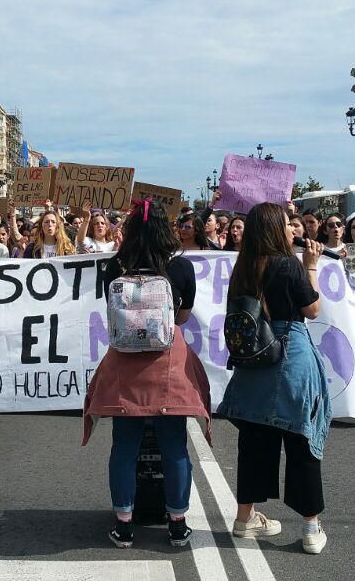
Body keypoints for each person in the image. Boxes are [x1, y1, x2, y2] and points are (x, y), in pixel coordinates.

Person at [82, 199, 209, 549]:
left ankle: (124, 525)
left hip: (125, 363)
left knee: (124, 445)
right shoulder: (180, 267)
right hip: (168, 363)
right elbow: (182, 318)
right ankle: (178, 524)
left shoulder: (115, 266)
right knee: (174, 444)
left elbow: (111, 313)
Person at [216, 203, 329, 555]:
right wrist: (311, 267)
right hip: (289, 352)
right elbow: (312, 309)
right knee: (300, 438)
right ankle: (310, 527)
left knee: (254, 438)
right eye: (286, 224)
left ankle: (245, 518)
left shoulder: (243, 267)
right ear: (274, 229)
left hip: (253, 357)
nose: (292, 230)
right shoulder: (289, 264)